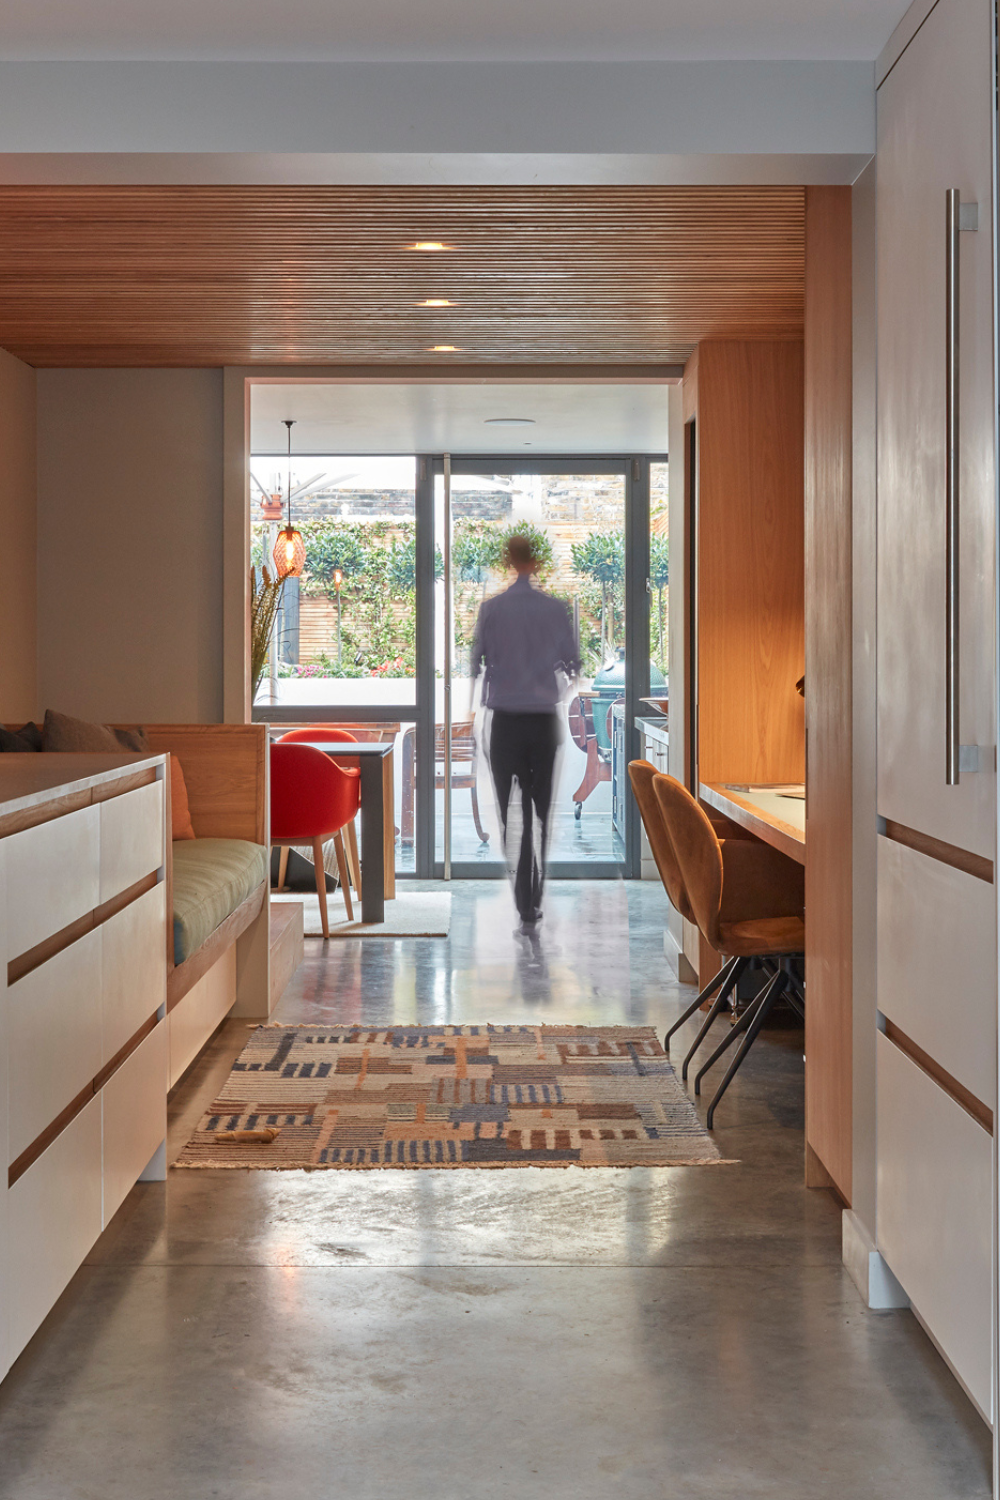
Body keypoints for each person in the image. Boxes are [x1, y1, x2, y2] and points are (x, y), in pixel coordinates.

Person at [471, 534, 580, 934]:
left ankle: (522, 894)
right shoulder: (555, 610)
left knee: (508, 815)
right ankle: (533, 898)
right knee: (540, 812)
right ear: (534, 562)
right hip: (542, 719)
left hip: (504, 721)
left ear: (509, 560)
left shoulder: (491, 609)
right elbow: (573, 664)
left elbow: (477, 665)